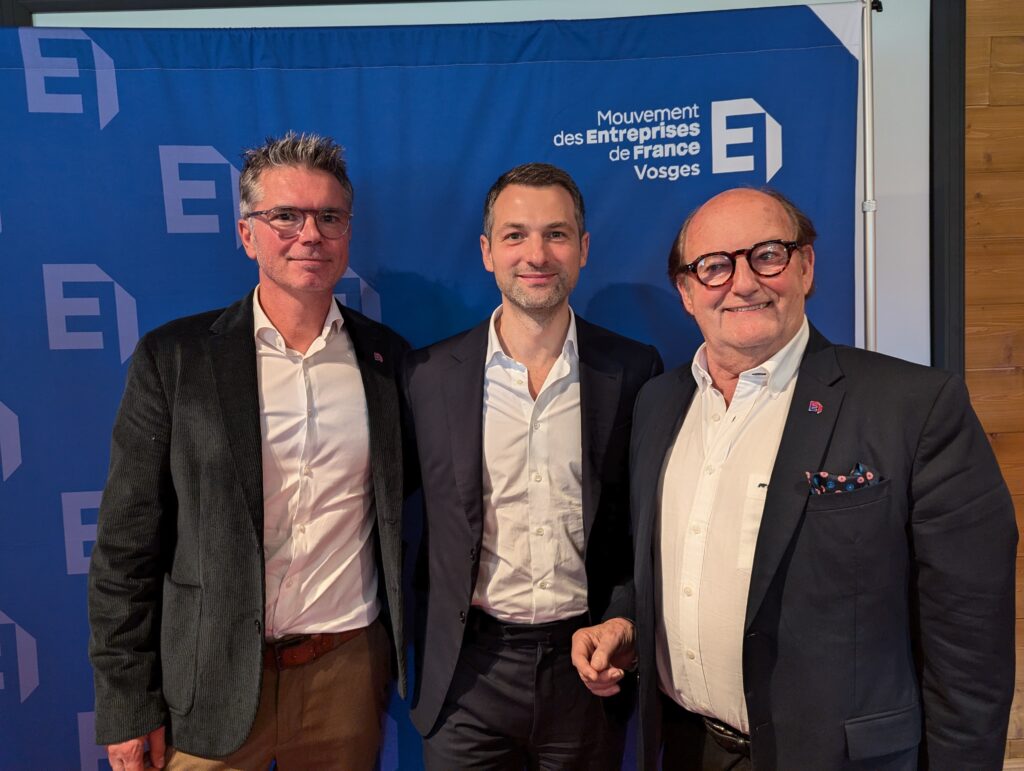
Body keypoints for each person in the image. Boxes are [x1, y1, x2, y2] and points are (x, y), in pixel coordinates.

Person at [572, 187, 1017, 770]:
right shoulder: (657, 403)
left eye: (767, 255)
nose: (743, 283)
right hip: (686, 747)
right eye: (714, 266)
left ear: (805, 266)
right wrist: (629, 621)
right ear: (686, 291)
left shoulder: (914, 406)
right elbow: (657, 559)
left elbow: (969, 639)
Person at [88, 132, 409, 771]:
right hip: (207, 679)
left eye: (329, 217)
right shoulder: (174, 359)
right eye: (285, 216)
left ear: (347, 231)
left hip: (345, 678)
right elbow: (126, 548)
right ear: (247, 234)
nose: (309, 234)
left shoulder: (389, 360)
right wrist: (127, 706)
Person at [404, 162, 663, 769]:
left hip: (586, 668)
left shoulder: (632, 371)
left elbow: (641, 528)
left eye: (557, 234)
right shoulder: (426, 376)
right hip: (465, 675)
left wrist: (622, 623)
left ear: (584, 249)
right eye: (516, 235)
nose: (537, 254)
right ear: (487, 251)